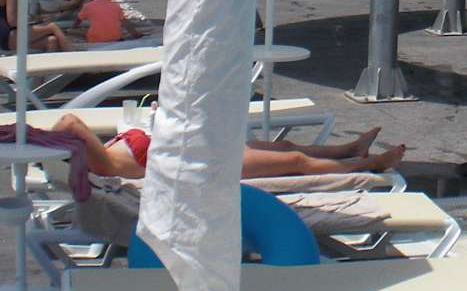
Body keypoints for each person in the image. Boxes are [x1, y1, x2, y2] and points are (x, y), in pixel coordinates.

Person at [50, 115, 404, 180]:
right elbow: (69, 122)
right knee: (295, 160)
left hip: (200, 148)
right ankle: (370, 165)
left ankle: (349, 149)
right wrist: (37, 141)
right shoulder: (103, 165)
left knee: (284, 145)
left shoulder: (104, 152)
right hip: (205, 166)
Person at [0, 0, 73, 52]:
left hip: (7, 36)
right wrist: (32, 20)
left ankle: (50, 60)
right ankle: (72, 54)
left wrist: (36, 18)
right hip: (8, 35)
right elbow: (12, 21)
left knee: (52, 41)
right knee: (53, 26)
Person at [71, 0, 140, 44]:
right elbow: (126, 23)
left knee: (79, 32)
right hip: (115, 38)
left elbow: (78, 20)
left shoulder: (88, 6)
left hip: (95, 39)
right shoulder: (115, 5)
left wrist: (73, 28)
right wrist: (136, 34)